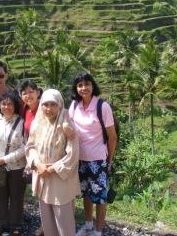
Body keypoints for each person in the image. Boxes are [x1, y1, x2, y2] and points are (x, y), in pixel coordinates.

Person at [26, 89, 81, 236]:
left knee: (64, 222)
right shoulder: (37, 123)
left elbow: (73, 154)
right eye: (45, 105)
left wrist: (51, 169)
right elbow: (30, 147)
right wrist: (38, 164)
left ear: (60, 105)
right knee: (47, 221)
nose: (48, 109)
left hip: (59, 179)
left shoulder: (67, 125)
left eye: (53, 105)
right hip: (42, 177)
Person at [68, 73, 117, 236]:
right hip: (79, 159)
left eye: (87, 84)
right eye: (80, 85)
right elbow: (68, 129)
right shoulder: (74, 106)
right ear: (76, 88)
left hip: (98, 160)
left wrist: (109, 160)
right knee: (86, 194)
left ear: (93, 86)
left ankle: (98, 231)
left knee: (100, 197)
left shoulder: (102, 106)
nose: (84, 88)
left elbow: (112, 136)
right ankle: (88, 225)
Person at [0, 91, 26, 235]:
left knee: (16, 196)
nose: (7, 106)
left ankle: (16, 224)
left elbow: (25, 147)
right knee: (0, 196)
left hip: (17, 166)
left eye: (10, 104)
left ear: (15, 105)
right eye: (4, 103)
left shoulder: (21, 122)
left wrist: (5, 159)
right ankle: (2, 222)